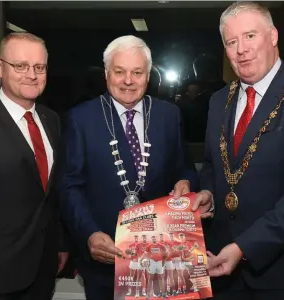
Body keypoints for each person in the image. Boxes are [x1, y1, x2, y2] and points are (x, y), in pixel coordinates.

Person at [57, 35, 198, 299]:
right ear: (107, 74)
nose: (128, 81)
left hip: (161, 255)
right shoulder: (81, 119)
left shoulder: (169, 116)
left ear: (148, 75)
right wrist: (89, 233)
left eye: (137, 72)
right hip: (105, 256)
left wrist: (186, 183)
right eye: (119, 72)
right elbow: (69, 185)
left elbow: (185, 168)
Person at [193, 2, 284, 300]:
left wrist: (246, 246)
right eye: (231, 42)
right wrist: (208, 194)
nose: (241, 49)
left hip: (283, 273)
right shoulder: (219, 100)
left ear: (272, 36)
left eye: (249, 36)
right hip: (221, 268)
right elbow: (212, 165)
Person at [0, 32, 68, 300]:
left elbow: (50, 195)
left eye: (39, 67)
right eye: (21, 66)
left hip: (43, 271)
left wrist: (59, 244)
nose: (31, 75)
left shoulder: (51, 120)